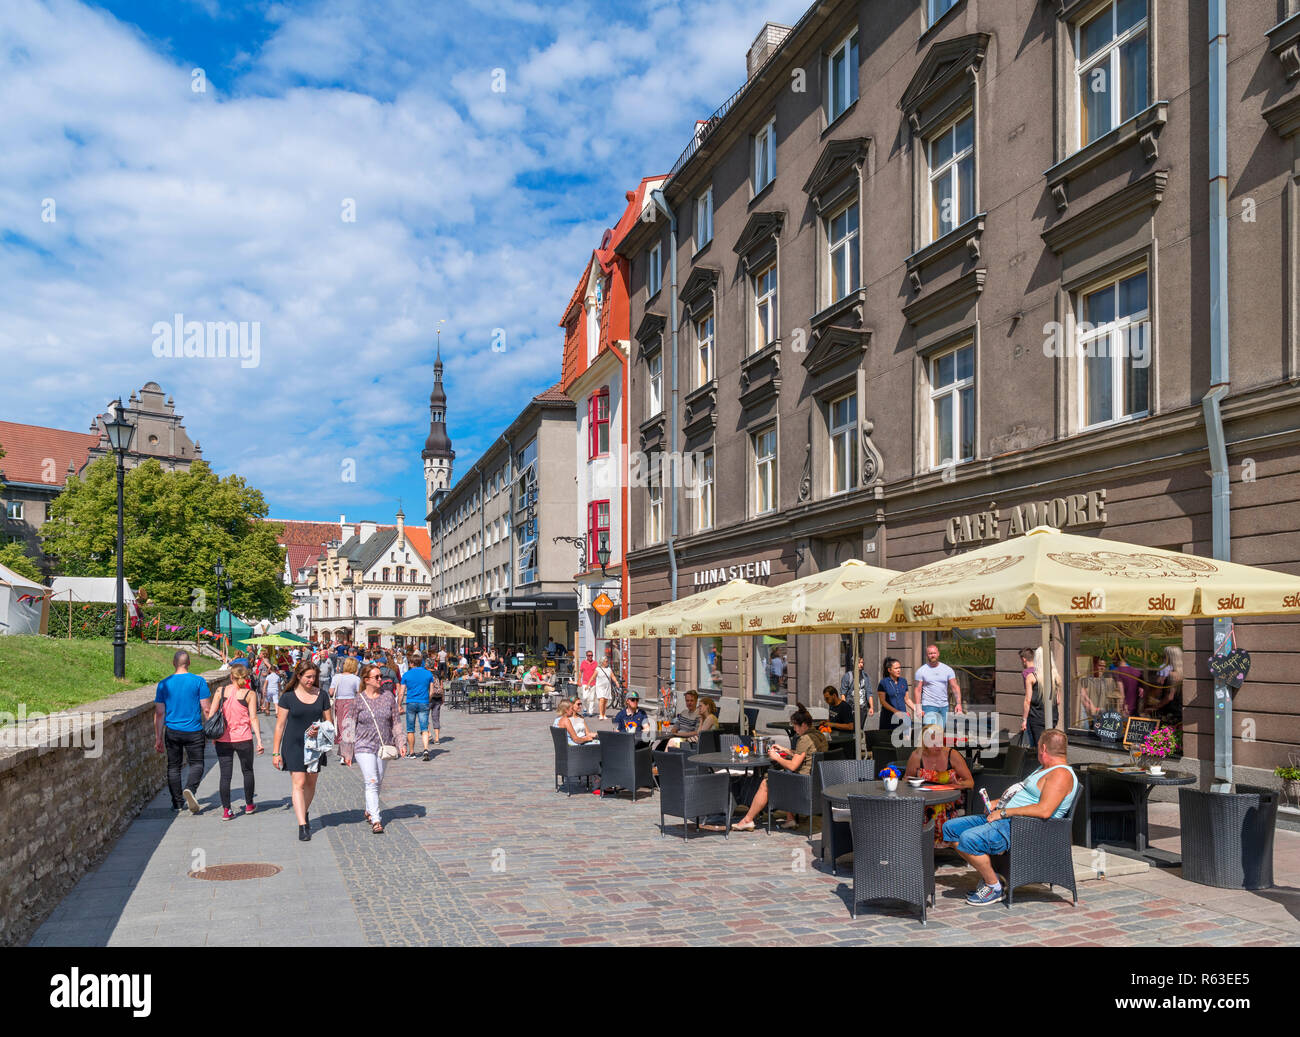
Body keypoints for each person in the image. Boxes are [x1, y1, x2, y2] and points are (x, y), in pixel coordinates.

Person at [941, 729, 1079, 904]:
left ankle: (993, 886)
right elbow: (1023, 795)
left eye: (1037, 748)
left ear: (1043, 748)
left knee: (968, 839)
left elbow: (1044, 810)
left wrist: (1004, 812)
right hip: (1005, 818)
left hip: (1020, 827)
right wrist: (996, 803)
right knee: (951, 829)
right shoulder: (1044, 769)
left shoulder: (1061, 774)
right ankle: (992, 876)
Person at [732, 707, 828, 832]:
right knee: (784, 774)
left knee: (766, 781)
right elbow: (805, 756)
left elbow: (793, 765)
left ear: (803, 725)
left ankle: (747, 820)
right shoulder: (819, 736)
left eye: (795, 726)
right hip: (815, 780)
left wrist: (776, 757)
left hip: (802, 782)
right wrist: (785, 750)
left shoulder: (804, 739)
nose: (794, 729)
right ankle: (790, 819)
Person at [272, 662, 334, 842]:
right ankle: (302, 825)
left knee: (310, 783)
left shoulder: (321, 695)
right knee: (298, 782)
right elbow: (280, 726)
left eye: (314, 677)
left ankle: (303, 811)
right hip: (294, 744)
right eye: (308, 677)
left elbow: (329, 722)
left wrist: (320, 727)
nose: (312, 680)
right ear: (298, 676)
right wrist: (276, 753)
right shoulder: (288, 698)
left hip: (314, 746)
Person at [153, 650, 212, 814]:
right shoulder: (198, 681)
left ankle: (177, 803)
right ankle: (190, 789)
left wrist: (158, 737)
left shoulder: (163, 684)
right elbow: (206, 709)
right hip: (194, 730)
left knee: (173, 767)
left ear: (173, 663)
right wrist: (213, 732)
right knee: (197, 763)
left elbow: (159, 713)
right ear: (189, 663)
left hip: (172, 731)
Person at [205, 664, 264, 819]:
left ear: (231, 677)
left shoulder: (220, 691)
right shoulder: (249, 694)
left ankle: (227, 810)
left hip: (223, 739)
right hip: (244, 738)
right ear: (245, 678)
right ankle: (249, 804)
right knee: (247, 771)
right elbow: (253, 718)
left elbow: (211, 715)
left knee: (225, 776)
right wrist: (259, 740)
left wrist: (213, 736)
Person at [353, 664, 407, 834]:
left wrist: (401, 742)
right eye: (376, 677)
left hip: (384, 744)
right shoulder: (358, 700)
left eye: (380, 677)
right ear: (366, 680)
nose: (380, 680)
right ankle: (376, 819)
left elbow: (396, 722)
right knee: (372, 781)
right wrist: (346, 751)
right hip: (364, 745)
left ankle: (369, 809)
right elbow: (349, 725)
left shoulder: (388, 697)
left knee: (379, 780)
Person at [904, 723, 973, 846]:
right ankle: (928, 846)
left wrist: (958, 785)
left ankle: (932, 844)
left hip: (948, 802)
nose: (939, 746)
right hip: (923, 801)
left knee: (937, 809)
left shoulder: (952, 755)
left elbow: (970, 782)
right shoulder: (916, 756)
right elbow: (906, 780)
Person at [909, 644, 962, 730]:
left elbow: (955, 687)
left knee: (940, 733)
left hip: (944, 706)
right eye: (930, 653)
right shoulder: (921, 671)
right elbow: (918, 690)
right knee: (930, 733)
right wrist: (918, 707)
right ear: (927, 655)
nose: (932, 655)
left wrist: (958, 704)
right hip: (929, 706)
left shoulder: (947, 669)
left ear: (938, 654)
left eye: (934, 653)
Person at [400, 653, 436, 761]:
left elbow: (401, 692)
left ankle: (412, 752)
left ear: (411, 663)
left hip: (411, 702)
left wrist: (399, 704)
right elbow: (432, 691)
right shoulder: (428, 674)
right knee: (424, 728)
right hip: (423, 702)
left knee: (410, 729)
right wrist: (427, 700)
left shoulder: (406, 675)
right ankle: (425, 749)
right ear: (421, 663)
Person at [329, 657, 360, 766]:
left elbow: (331, 692)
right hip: (351, 702)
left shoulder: (336, 677)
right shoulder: (355, 679)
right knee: (349, 728)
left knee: (341, 728)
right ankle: (346, 755)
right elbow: (359, 692)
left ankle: (344, 754)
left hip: (338, 703)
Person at [1150, 646, 1183, 725]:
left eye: (1164, 656)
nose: (1163, 658)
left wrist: (1155, 707)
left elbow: (1169, 696)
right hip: (1179, 711)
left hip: (1169, 713)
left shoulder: (1171, 675)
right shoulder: (1182, 673)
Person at [877, 657, 910, 731]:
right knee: (888, 740)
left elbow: (907, 699)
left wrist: (916, 709)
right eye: (896, 668)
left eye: (899, 668)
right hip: (888, 718)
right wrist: (896, 711)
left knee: (904, 740)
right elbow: (883, 702)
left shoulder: (903, 681)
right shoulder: (883, 683)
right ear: (889, 670)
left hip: (903, 717)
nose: (899, 670)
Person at [1111, 650, 1143, 716]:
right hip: (1135, 712)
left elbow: (1121, 694)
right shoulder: (1137, 672)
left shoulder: (1116, 672)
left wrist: (1122, 708)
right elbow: (1142, 692)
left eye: (1113, 658)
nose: (1112, 660)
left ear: (1117, 658)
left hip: (1124, 711)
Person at [593, 655, 620, 722]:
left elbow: (612, 676)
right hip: (600, 687)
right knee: (602, 699)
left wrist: (616, 682)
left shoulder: (609, 669)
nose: (607, 662)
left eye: (607, 661)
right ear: (602, 662)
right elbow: (593, 677)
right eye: (606, 661)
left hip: (607, 687)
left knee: (605, 701)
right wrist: (588, 684)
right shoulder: (598, 669)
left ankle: (604, 714)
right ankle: (600, 714)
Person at [578, 650, 598, 717]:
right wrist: (579, 680)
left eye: (591, 655)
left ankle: (590, 712)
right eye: (589, 655)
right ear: (586, 656)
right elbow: (580, 672)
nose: (590, 657)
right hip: (585, 683)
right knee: (585, 697)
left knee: (592, 698)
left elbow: (597, 673)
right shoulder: (583, 663)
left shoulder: (595, 663)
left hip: (593, 683)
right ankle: (584, 709)